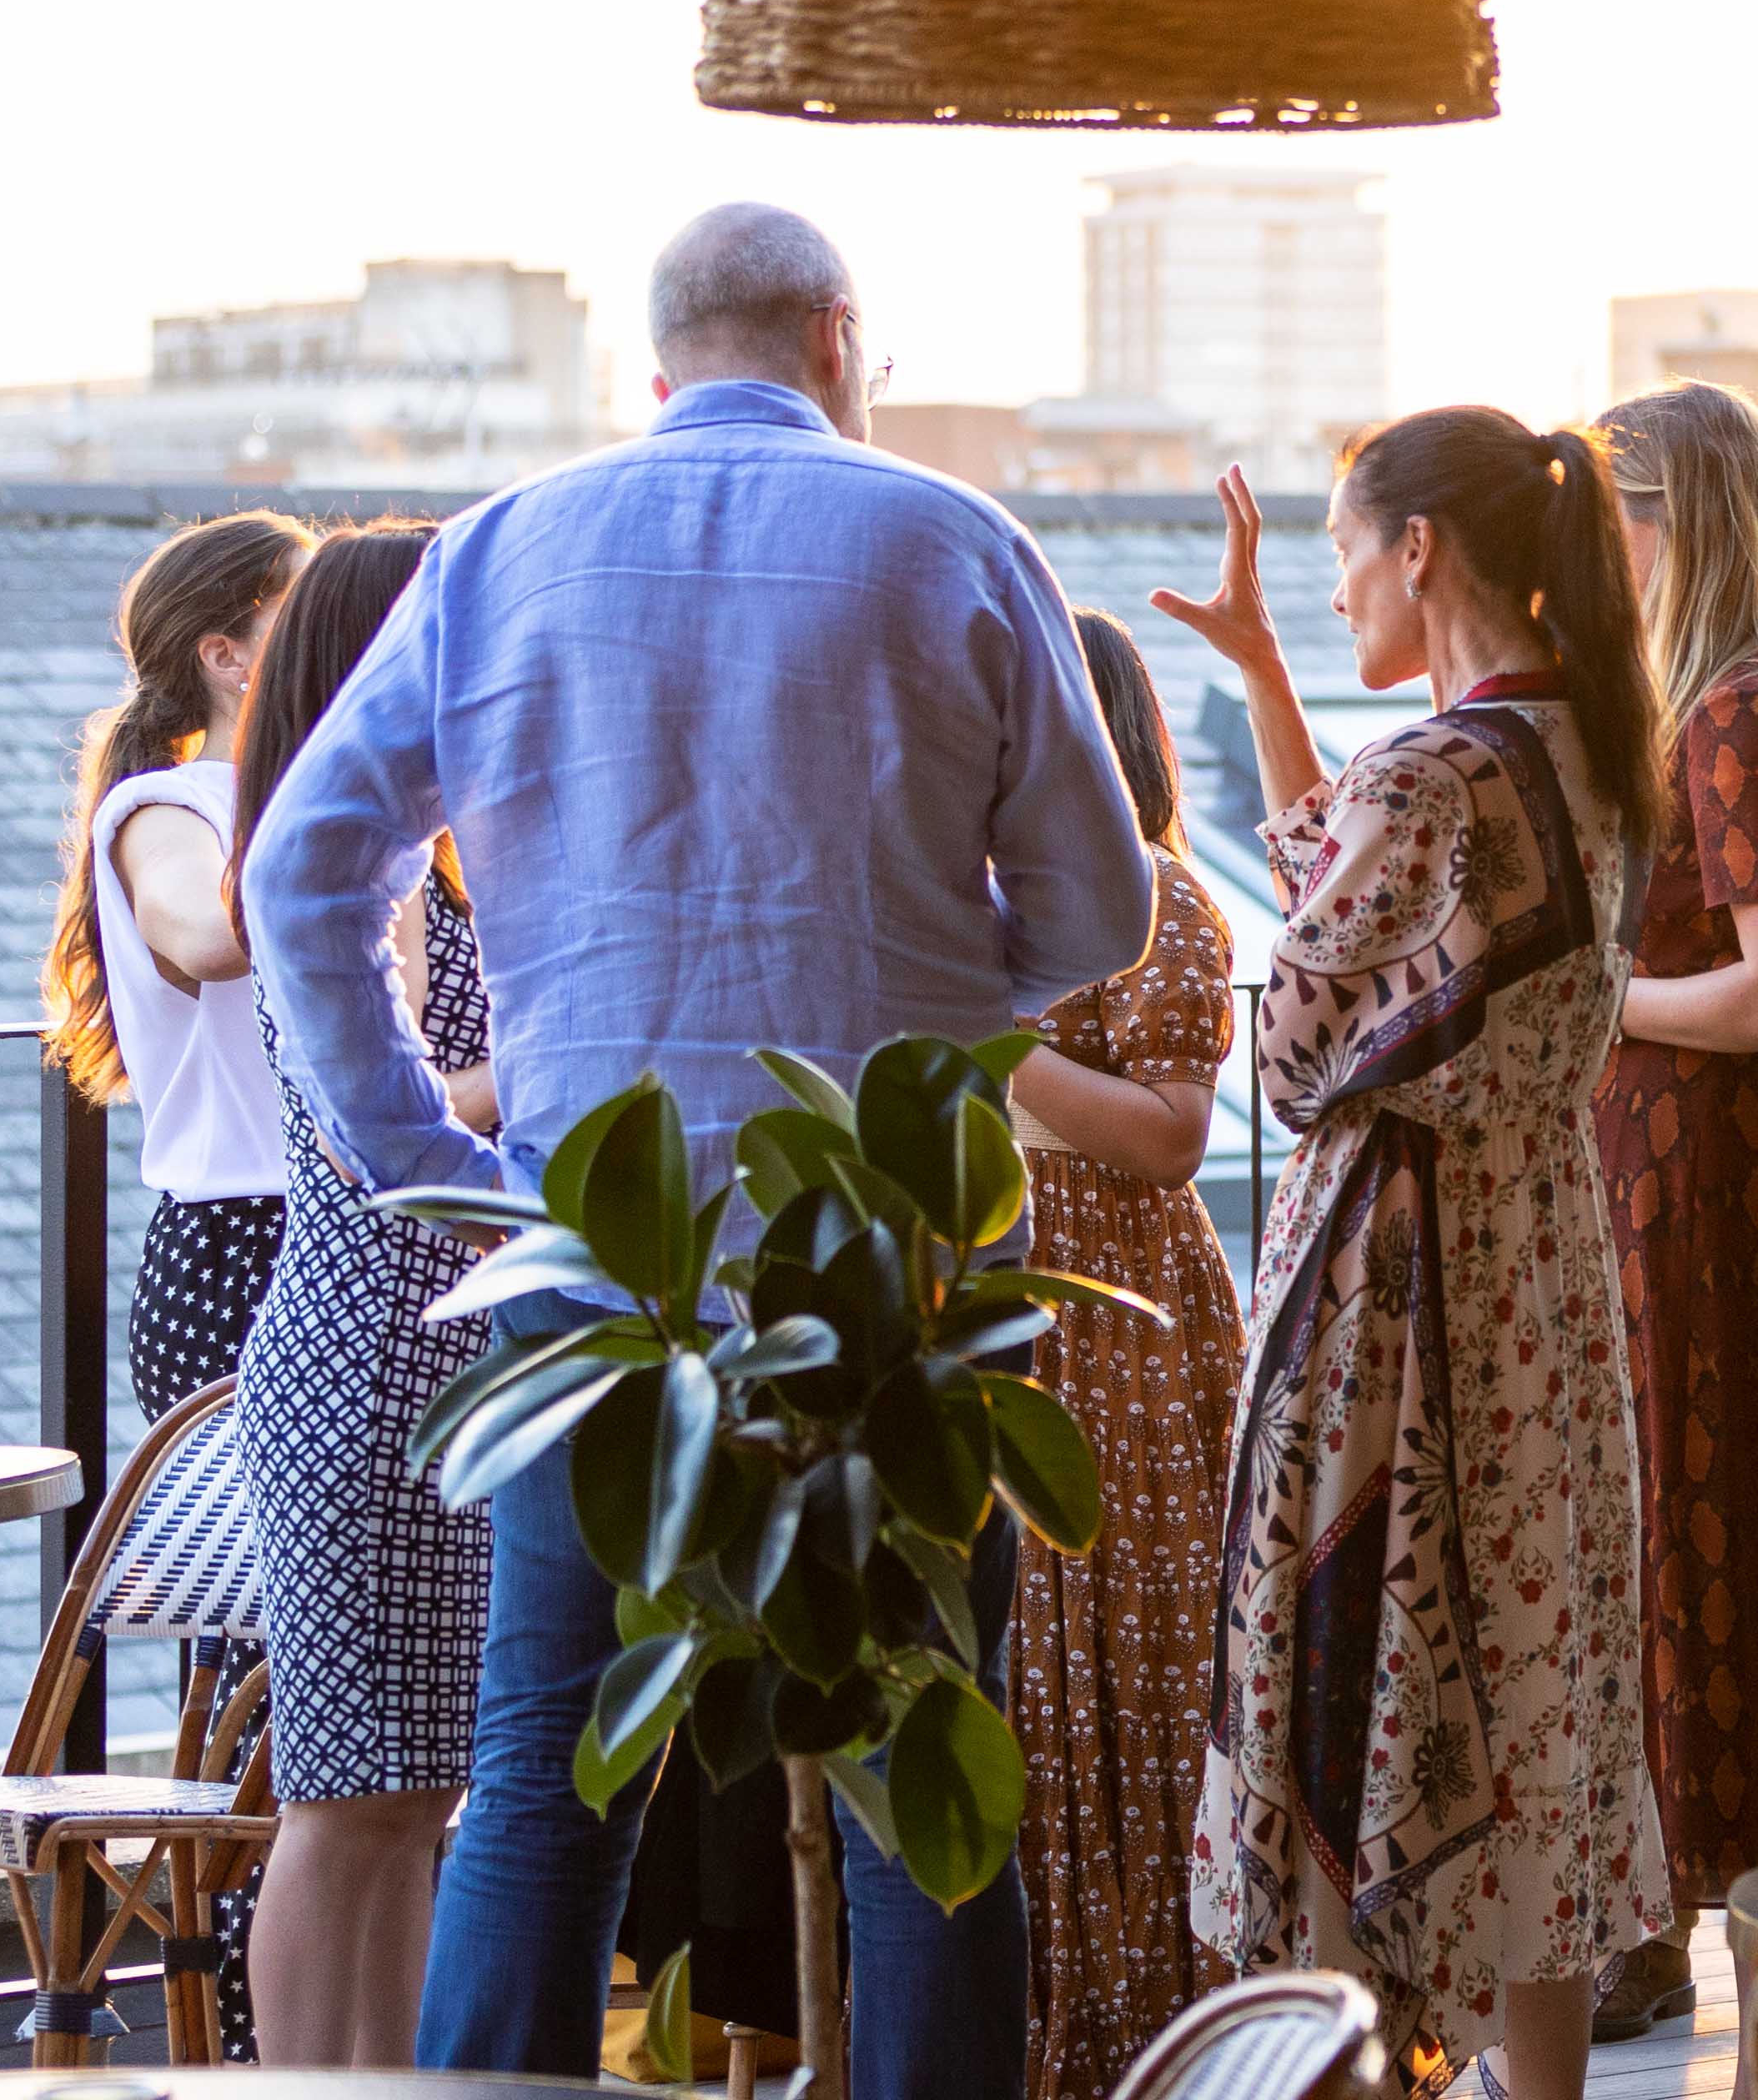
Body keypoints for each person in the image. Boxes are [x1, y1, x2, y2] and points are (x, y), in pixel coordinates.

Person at [245, 203, 1158, 2100]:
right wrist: (924, 993)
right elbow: (1100, 913)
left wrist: (425, 1158)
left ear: (657, 367)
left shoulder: (502, 553)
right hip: (877, 1286)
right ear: (838, 336)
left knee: (542, 1789)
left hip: (602, 1279)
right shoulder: (953, 540)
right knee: (922, 1771)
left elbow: (296, 874)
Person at [1162, 419, 1669, 2100]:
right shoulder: (1587, 746)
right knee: (1536, 1716)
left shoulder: (1434, 782)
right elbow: (1364, 886)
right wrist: (1261, 673)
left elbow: (1302, 1055)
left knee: (1358, 1673)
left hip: (1401, 1292)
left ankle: (1348, 2068)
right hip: (1541, 1276)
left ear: (1424, 551)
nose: (1331, 580)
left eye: (1337, 550)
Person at [222, 520, 501, 2069]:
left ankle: (373, 2075)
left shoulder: (373, 844)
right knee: (348, 1797)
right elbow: (387, 1103)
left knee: (400, 1795)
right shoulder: (365, 860)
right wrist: (572, 1052)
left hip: (396, 1340)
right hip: (375, 1344)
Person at [1004, 609, 1251, 2100]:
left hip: (1116, 1322)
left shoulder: (1157, 898)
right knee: (1031, 1664)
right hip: (995, 1303)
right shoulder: (971, 901)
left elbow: (1169, 1137)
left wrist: (982, 1038)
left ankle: (1149, 2013)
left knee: (1119, 1651)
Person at [1585, 381, 1758, 2038]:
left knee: (1677, 1531)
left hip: (1692, 1183)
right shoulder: (1720, 698)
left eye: (1609, 513)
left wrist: (1588, 998)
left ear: (1678, 523)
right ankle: (1653, 1911)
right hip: (1658, 1168)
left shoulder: (1733, 713)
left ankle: (1672, 1915)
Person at [46, 509, 309, 1414]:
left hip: (348, 1226)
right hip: (243, 1244)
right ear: (225, 657)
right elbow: (204, 936)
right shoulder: (166, 807)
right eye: (300, 608)